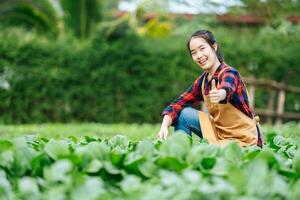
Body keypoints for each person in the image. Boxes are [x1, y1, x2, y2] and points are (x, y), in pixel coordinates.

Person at [156, 29, 263, 147]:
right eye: (194, 52)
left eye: (202, 48)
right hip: (219, 133)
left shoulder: (230, 73)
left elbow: (227, 86)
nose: (199, 56)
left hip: (243, 139)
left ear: (214, 47)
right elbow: (178, 104)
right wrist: (164, 125)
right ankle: (182, 155)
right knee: (183, 114)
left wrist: (221, 94)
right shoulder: (203, 81)